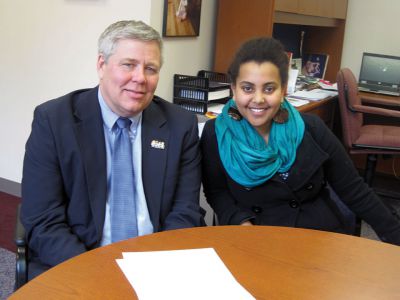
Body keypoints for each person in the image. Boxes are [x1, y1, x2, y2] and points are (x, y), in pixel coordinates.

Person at [21, 20, 204, 279]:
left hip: (156, 264)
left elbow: (184, 210)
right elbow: (43, 220)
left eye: (150, 68)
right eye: (128, 64)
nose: (140, 78)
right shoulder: (54, 121)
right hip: (79, 262)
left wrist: (160, 264)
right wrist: (97, 272)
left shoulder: (180, 125)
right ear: (101, 65)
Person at [200, 37, 400, 245]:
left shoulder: (311, 128)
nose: (258, 99)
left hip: (316, 235)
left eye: (269, 89)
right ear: (234, 88)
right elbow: (217, 192)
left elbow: (354, 190)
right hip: (256, 237)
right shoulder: (217, 134)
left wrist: (395, 237)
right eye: (247, 88)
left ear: (283, 89)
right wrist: (241, 223)